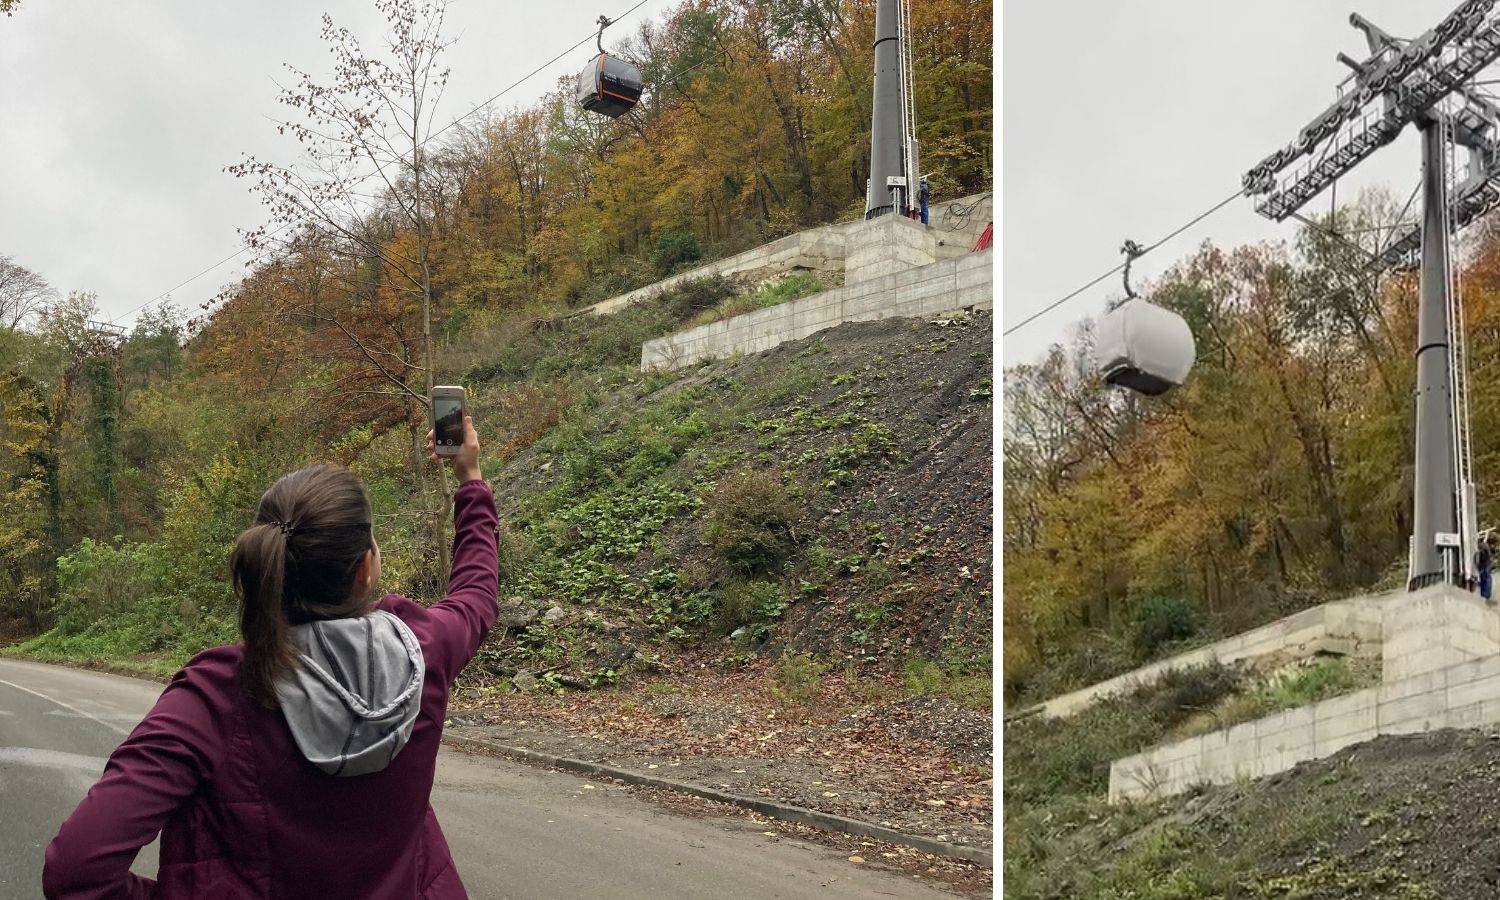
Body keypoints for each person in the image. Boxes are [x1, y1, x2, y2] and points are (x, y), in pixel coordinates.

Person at [43, 416, 498, 899]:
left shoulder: (215, 695)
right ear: (366, 568)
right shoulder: (422, 651)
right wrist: (470, 480)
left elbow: (76, 871)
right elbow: (476, 593)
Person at [1479, 532, 1494, 603]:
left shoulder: (1484, 546)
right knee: (1486, 581)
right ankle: (1485, 596)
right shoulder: (1484, 546)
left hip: (1485, 566)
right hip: (1486, 567)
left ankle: (1485, 596)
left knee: (1486, 581)